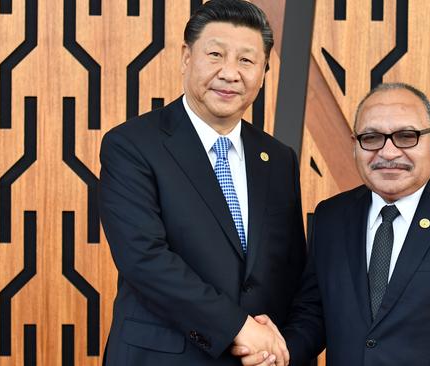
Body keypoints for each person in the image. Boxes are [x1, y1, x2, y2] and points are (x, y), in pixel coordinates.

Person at [235, 83, 430, 365]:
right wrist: (277, 351)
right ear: (355, 145)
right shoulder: (331, 217)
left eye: (406, 136)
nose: (388, 152)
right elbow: (315, 314)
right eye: (372, 138)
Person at [98, 1, 305, 365]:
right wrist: (239, 328)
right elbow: (144, 259)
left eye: (246, 60)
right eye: (215, 54)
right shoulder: (132, 144)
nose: (230, 73)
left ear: (264, 72)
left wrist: (277, 346)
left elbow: (288, 269)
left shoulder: (278, 158)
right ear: (186, 57)